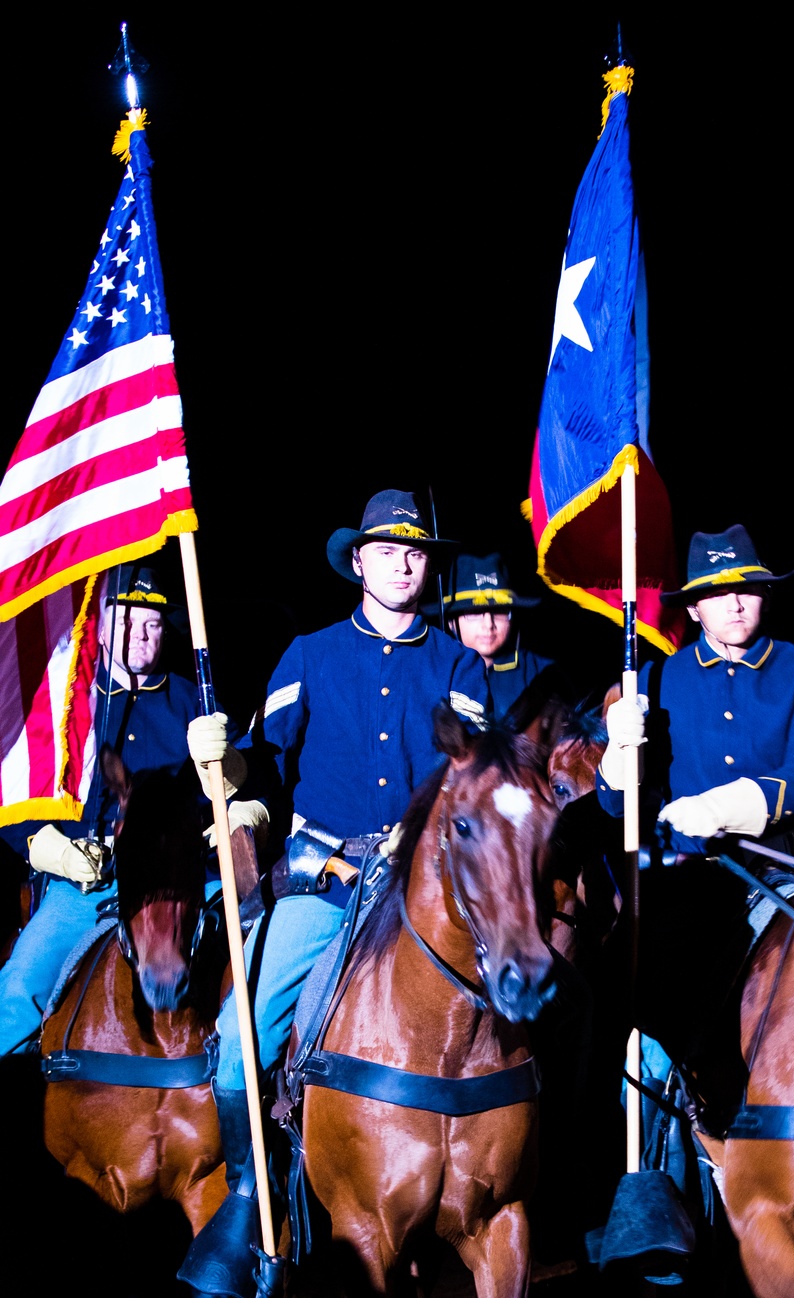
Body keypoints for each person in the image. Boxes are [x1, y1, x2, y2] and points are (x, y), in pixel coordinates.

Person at [186, 490, 491, 1223]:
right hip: (327, 884)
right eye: (386, 551)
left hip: (428, 886)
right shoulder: (310, 654)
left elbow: (478, 776)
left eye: (415, 553)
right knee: (237, 1043)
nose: (401, 565)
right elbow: (263, 761)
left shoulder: (460, 665)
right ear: (358, 562)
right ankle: (246, 1206)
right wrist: (225, 773)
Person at [597, 524, 794, 1117]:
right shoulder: (655, 680)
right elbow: (613, 809)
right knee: (638, 1040)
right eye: (719, 592)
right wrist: (616, 759)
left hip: (781, 873)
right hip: (684, 883)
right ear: (695, 606)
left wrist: (725, 806)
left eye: (749, 589)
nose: (735, 604)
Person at [0, 564, 255, 1055]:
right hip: (89, 883)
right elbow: (13, 780)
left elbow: (242, 778)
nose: (139, 635)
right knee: (17, 991)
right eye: (125, 621)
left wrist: (230, 772)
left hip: (183, 881)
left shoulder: (193, 699)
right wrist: (39, 842)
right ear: (100, 622)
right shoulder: (68, 697)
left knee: (252, 973)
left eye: (152, 624)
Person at [431, 551, 565, 720]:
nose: (488, 624)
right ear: (451, 621)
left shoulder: (544, 674)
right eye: (474, 612)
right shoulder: (434, 673)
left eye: (500, 611)